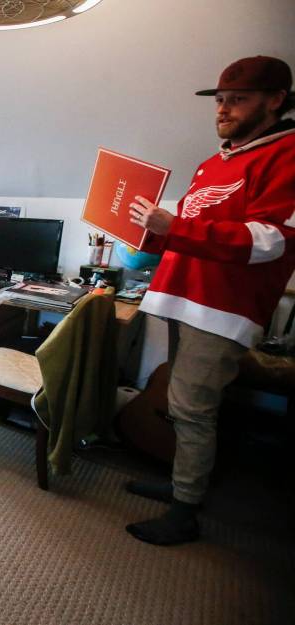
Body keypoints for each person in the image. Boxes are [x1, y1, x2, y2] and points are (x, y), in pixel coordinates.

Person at [126, 55, 295, 545]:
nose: (223, 109)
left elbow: (271, 240)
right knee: (178, 404)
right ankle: (178, 480)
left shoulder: (284, 156)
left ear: (275, 101)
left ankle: (185, 510)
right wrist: (150, 230)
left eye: (237, 100)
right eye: (220, 100)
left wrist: (174, 226)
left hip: (222, 307)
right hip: (181, 296)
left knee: (193, 408)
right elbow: (185, 231)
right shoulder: (213, 163)